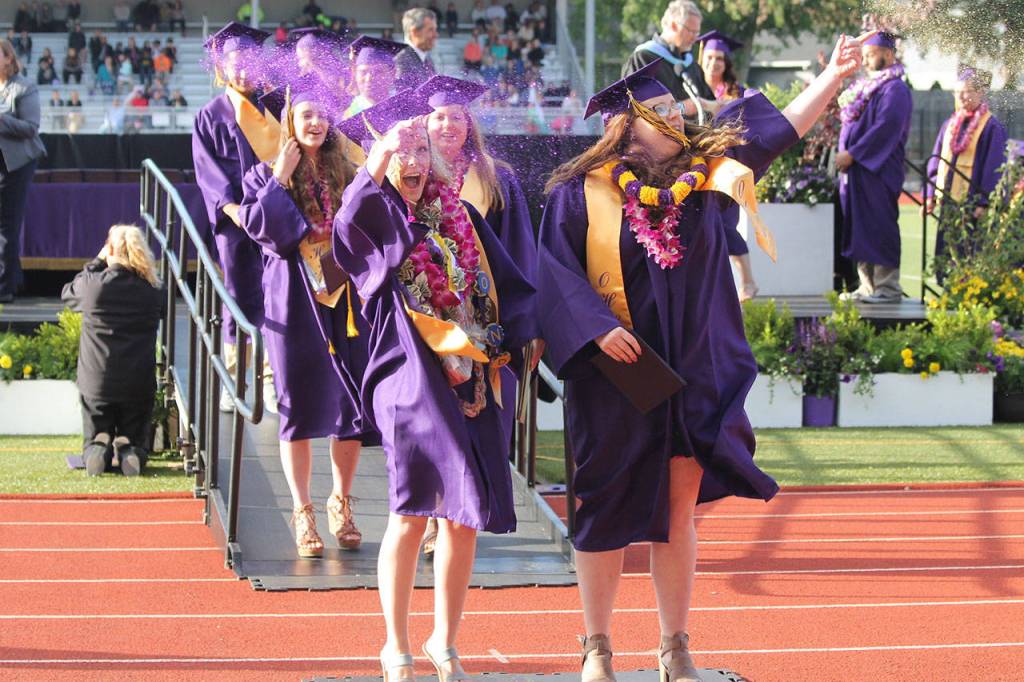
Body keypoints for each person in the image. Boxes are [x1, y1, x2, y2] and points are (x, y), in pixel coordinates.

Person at [537, 32, 868, 681]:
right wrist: (596, 327)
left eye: (679, 110)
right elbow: (551, 274)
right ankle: (597, 646)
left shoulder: (708, 180)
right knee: (602, 507)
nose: (679, 119)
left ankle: (674, 644)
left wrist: (831, 73)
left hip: (689, 378)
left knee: (677, 511)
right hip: (615, 377)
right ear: (626, 126)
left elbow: (782, 127)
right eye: (663, 112)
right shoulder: (580, 192)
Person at [333, 89, 539, 682]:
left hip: (471, 377)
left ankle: (443, 640)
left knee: (463, 515)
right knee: (412, 511)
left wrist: (515, 340)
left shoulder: (463, 218)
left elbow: (507, 284)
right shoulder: (380, 218)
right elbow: (349, 226)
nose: (415, 161)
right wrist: (378, 156)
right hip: (409, 378)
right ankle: (394, 644)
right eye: (403, 152)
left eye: (422, 148)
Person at [238, 77, 374, 558]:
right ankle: (303, 510)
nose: (315, 122)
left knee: (351, 405)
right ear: (291, 120)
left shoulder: (351, 170)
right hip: (294, 300)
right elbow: (263, 232)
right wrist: (279, 177)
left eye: (323, 114)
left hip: (349, 300)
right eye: (306, 114)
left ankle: (342, 501)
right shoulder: (262, 174)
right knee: (297, 405)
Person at [415, 74, 542, 556]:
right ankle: (432, 516)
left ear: (471, 123)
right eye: (439, 116)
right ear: (424, 123)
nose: (448, 124)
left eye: (457, 116)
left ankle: (463, 514)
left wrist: (527, 326)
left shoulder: (495, 177)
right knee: (436, 423)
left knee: (481, 422)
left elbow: (521, 256)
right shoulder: (413, 174)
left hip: (486, 325)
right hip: (431, 320)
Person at [192, 22, 278, 412]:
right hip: (237, 225)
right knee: (239, 298)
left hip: (279, 219)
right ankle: (234, 379)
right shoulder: (211, 115)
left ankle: (272, 379)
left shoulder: (277, 106)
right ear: (222, 67)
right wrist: (232, 210)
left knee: (278, 298)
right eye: (235, 62)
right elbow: (207, 170)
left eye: (250, 61)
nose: (243, 70)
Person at [61, 225, 166, 476]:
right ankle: (130, 448)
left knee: (94, 434)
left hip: (96, 383)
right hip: (137, 383)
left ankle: (98, 445)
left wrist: (96, 262)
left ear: (109, 250)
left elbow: (68, 293)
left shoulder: (94, 286)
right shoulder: (153, 291)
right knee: (136, 436)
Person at [836, 31, 913, 303]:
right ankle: (867, 286)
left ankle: (887, 288)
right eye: (865, 56)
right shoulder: (869, 88)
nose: (866, 61)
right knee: (860, 226)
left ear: (889, 55)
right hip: (858, 173)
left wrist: (853, 154)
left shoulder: (896, 90)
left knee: (879, 225)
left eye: (871, 55)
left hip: (877, 171)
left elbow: (886, 128)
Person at [925, 65, 1009, 266]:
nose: (961, 97)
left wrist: (984, 202)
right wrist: (930, 194)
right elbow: (936, 160)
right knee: (945, 254)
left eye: (966, 92)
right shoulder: (950, 124)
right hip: (948, 202)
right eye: (957, 92)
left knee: (969, 255)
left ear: (980, 92)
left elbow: (994, 167)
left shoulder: (991, 127)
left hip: (972, 206)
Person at [696, 29, 758, 300]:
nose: (714, 63)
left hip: (724, 167)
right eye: (709, 57)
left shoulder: (736, 94)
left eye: (719, 58)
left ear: (727, 63)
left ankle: (747, 282)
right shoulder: (692, 91)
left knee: (725, 223)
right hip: (695, 168)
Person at [0, 39, 45, 304]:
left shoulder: (25, 87)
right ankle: (11, 280)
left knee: (7, 224)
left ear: (9, 58)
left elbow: (31, 127)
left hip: (16, 164)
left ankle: (4, 287)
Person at [622, 0, 717, 120]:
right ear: (673, 25)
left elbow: (710, 107)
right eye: (691, 31)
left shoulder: (692, 66)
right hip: (657, 137)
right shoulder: (643, 59)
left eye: (697, 32)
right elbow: (637, 110)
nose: (695, 38)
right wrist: (682, 108)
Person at [344, 35, 404, 118]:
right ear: (355, 74)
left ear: (393, 74)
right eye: (363, 72)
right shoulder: (348, 117)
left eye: (377, 72)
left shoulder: (405, 108)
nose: (369, 79)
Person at [394, 7, 437, 91]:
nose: (435, 35)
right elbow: (404, 98)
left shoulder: (427, 59)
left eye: (435, 29)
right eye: (430, 30)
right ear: (414, 32)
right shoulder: (401, 60)